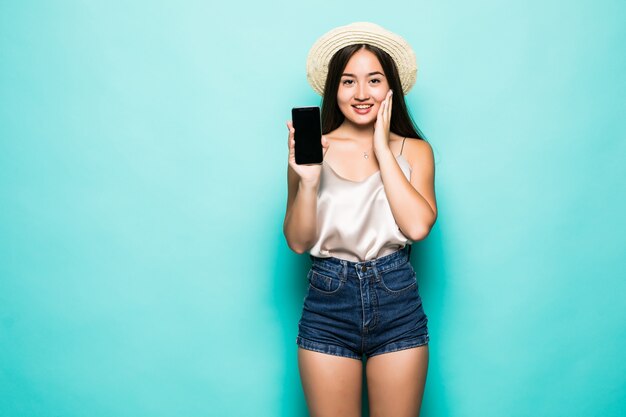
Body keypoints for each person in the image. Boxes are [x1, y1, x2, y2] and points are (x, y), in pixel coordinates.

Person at [283, 22, 437, 417]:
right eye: (349, 81)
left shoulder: (414, 151)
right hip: (328, 302)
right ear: (334, 88)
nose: (362, 93)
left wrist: (384, 151)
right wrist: (308, 182)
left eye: (374, 80)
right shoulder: (313, 149)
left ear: (390, 88)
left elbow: (418, 227)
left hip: (396, 298)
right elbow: (299, 242)